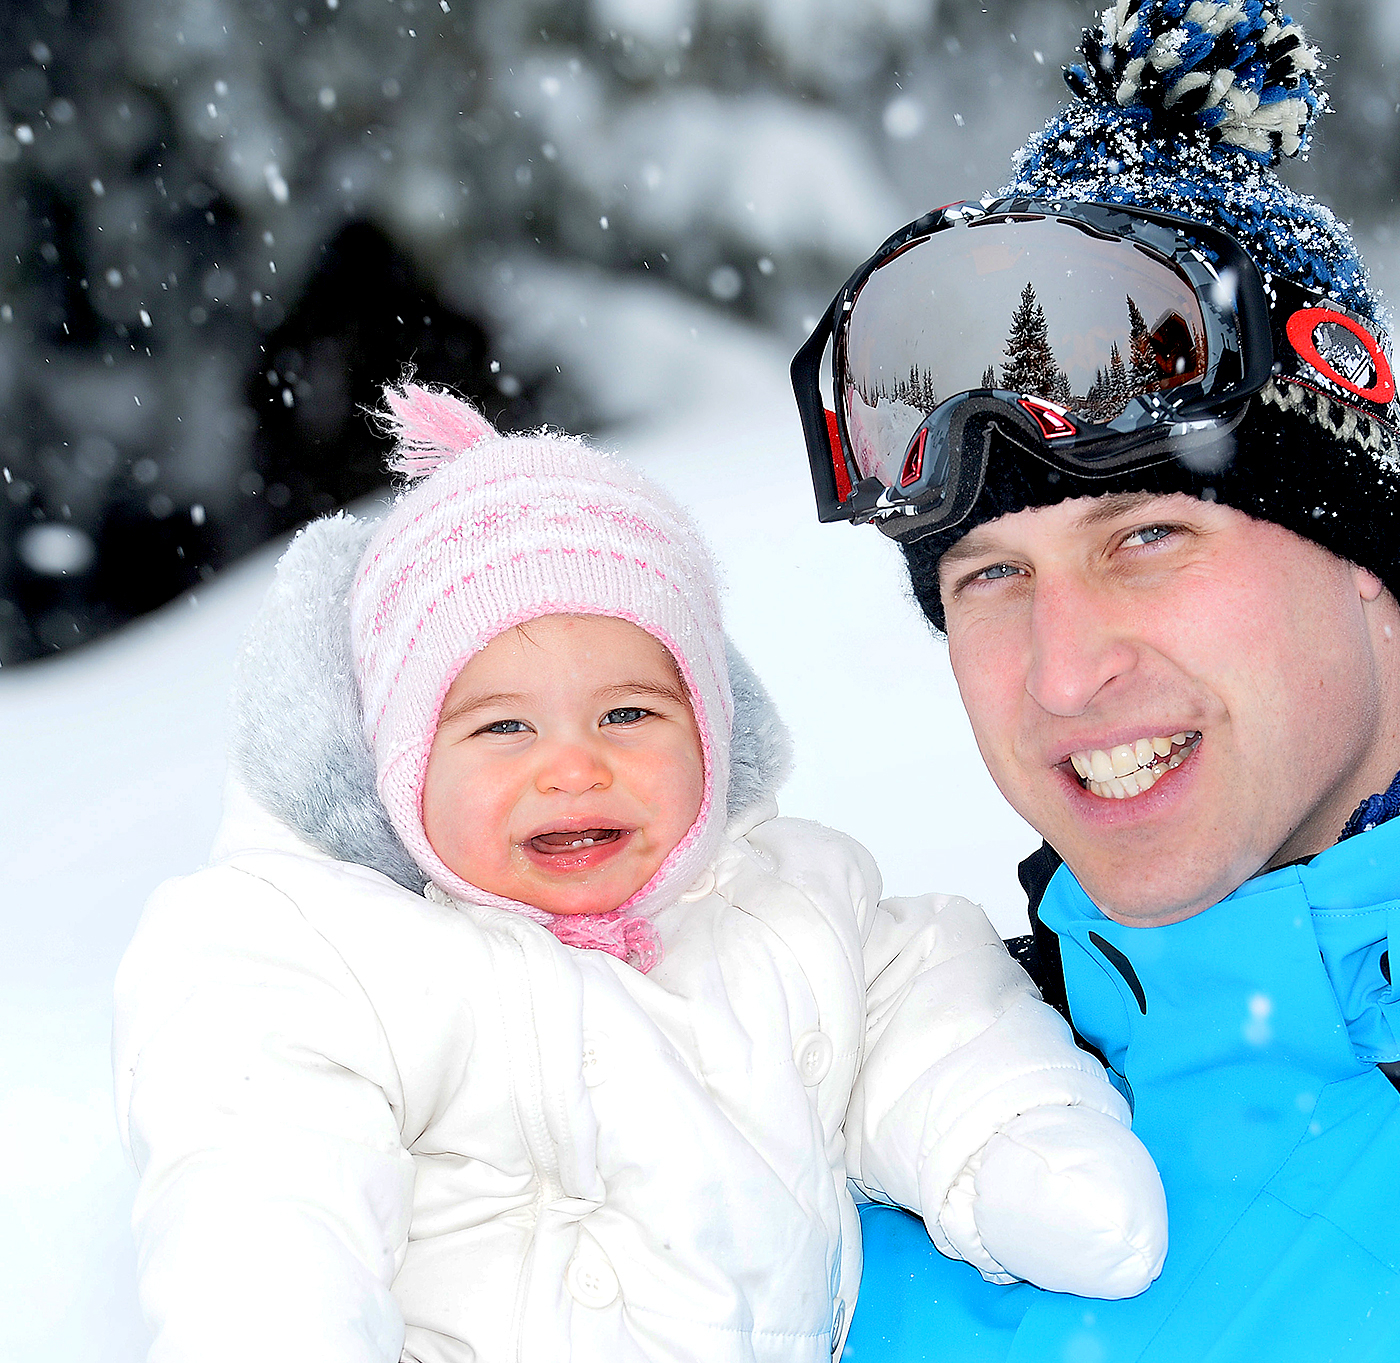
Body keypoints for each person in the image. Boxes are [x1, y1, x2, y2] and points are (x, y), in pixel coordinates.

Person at [793, 3, 1400, 1359]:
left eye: (1147, 538)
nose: (1066, 667)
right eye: (990, 577)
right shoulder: (893, 1088)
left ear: (1360, 566)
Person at [112, 385, 1169, 1363]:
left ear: (709, 730)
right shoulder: (335, 954)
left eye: (628, 713)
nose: (574, 765)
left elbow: (930, 1011)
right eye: (503, 726)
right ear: (402, 767)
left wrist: (1012, 1139)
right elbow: (263, 1193)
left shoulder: (788, 905)